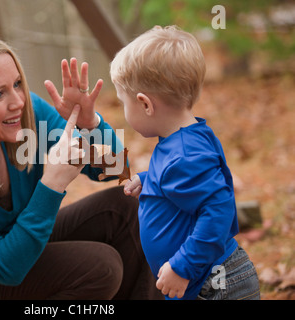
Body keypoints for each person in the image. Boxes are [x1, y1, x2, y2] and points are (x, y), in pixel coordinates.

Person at [0, 30, 162, 300]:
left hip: (17, 244)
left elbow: (118, 168)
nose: (18, 101)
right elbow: (2, 267)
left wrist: (90, 125)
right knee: (100, 267)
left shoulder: (27, 116)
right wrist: (51, 185)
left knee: (125, 207)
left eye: (17, 84)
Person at [110, 25, 260, 300]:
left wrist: (183, 267)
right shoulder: (182, 142)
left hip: (215, 285)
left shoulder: (183, 155)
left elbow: (218, 210)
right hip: (204, 280)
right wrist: (147, 181)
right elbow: (183, 181)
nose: (123, 109)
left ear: (145, 104)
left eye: (123, 101)